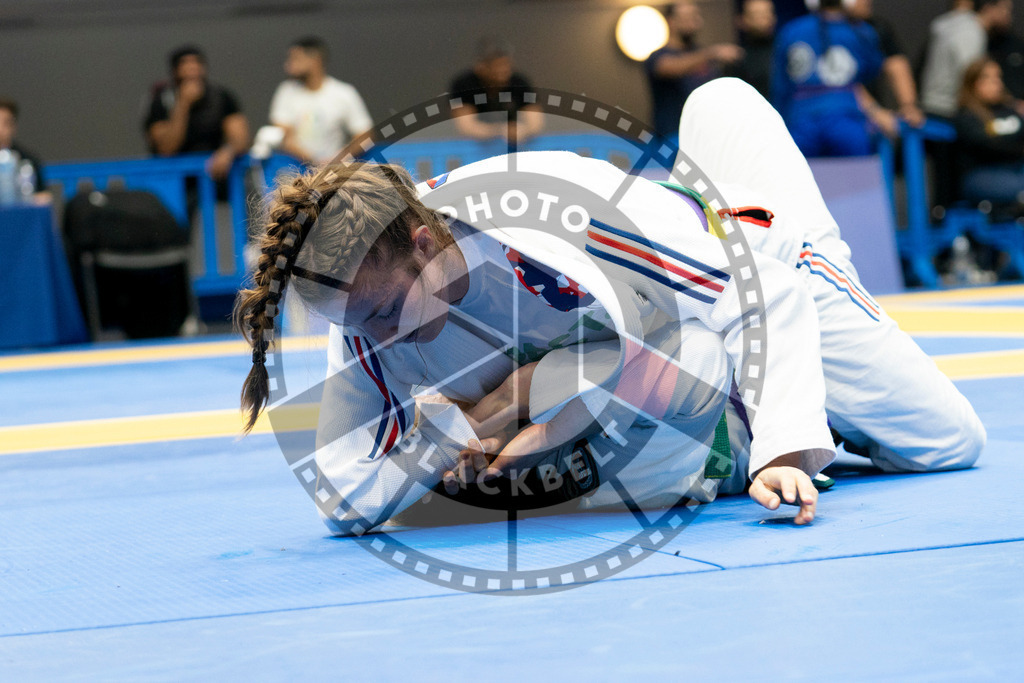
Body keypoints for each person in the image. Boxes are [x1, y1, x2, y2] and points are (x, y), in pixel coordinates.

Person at [234, 78, 985, 536]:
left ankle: (771, 198)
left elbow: (763, 299)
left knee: (946, 439)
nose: (376, 342)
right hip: (673, 335)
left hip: (759, 261)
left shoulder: (554, 212)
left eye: (387, 314)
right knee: (661, 360)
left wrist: (783, 449)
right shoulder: (360, 292)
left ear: (427, 241)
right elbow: (340, 490)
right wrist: (457, 423)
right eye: (356, 328)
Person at [771, 0, 885, 157]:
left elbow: (781, 86)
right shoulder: (860, 31)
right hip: (846, 117)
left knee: (796, 175)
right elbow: (872, 70)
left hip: (800, 119)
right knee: (857, 176)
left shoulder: (791, 30)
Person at [143, 45, 250, 181]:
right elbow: (166, 148)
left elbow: (240, 138)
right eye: (185, 65)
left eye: (196, 64)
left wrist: (228, 151)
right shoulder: (161, 102)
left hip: (215, 177)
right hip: (175, 181)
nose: (192, 70)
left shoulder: (221, 97)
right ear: (175, 71)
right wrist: (182, 105)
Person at [268, 36, 374, 165]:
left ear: (315, 61)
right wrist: (313, 161)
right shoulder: (286, 92)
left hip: (334, 171)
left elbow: (364, 135)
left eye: (295, 59)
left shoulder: (344, 93)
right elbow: (283, 135)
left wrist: (339, 157)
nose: (288, 65)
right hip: (295, 169)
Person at [646, 1, 743, 140]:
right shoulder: (658, 56)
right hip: (672, 138)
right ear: (671, 21)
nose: (694, 22)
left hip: (704, 136)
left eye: (695, 17)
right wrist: (712, 53)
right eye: (687, 17)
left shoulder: (702, 53)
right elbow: (670, 67)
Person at [920, 0, 1014, 120]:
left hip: (933, 103)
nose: (1008, 15)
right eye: (1005, 9)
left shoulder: (950, 23)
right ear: (989, 8)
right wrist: (1010, 102)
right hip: (949, 109)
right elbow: (970, 77)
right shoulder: (971, 33)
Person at [846, 0, 926, 132]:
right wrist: (874, 111)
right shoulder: (820, 31)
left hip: (868, 125)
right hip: (833, 117)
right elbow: (840, 83)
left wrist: (909, 106)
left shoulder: (876, 27)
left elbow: (896, 64)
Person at [954, 57, 1024, 205]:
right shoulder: (967, 116)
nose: (997, 83)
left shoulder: (1009, 109)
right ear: (975, 83)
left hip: (1016, 168)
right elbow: (987, 146)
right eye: (989, 78)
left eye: (998, 77)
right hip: (982, 174)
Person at [449, 38, 543, 146]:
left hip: (515, 148)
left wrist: (523, 130)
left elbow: (535, 123)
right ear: (481, 67)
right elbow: (466, 127)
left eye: (506, 64)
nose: (503, 71)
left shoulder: (520, 82)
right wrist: (500, 131)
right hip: (475, 150)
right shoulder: (463, 84)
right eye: (496, 65)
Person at [725, 0, 777, 101]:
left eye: (767, 13)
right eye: (756, 14)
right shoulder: (736, 57)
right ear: (742, 20)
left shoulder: (784, 50)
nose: (764, 18)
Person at [0, 98, 47, 200]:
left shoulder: (28, 160)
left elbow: (43, 196)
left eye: (5, 123)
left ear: (13, 127)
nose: (0, 130)